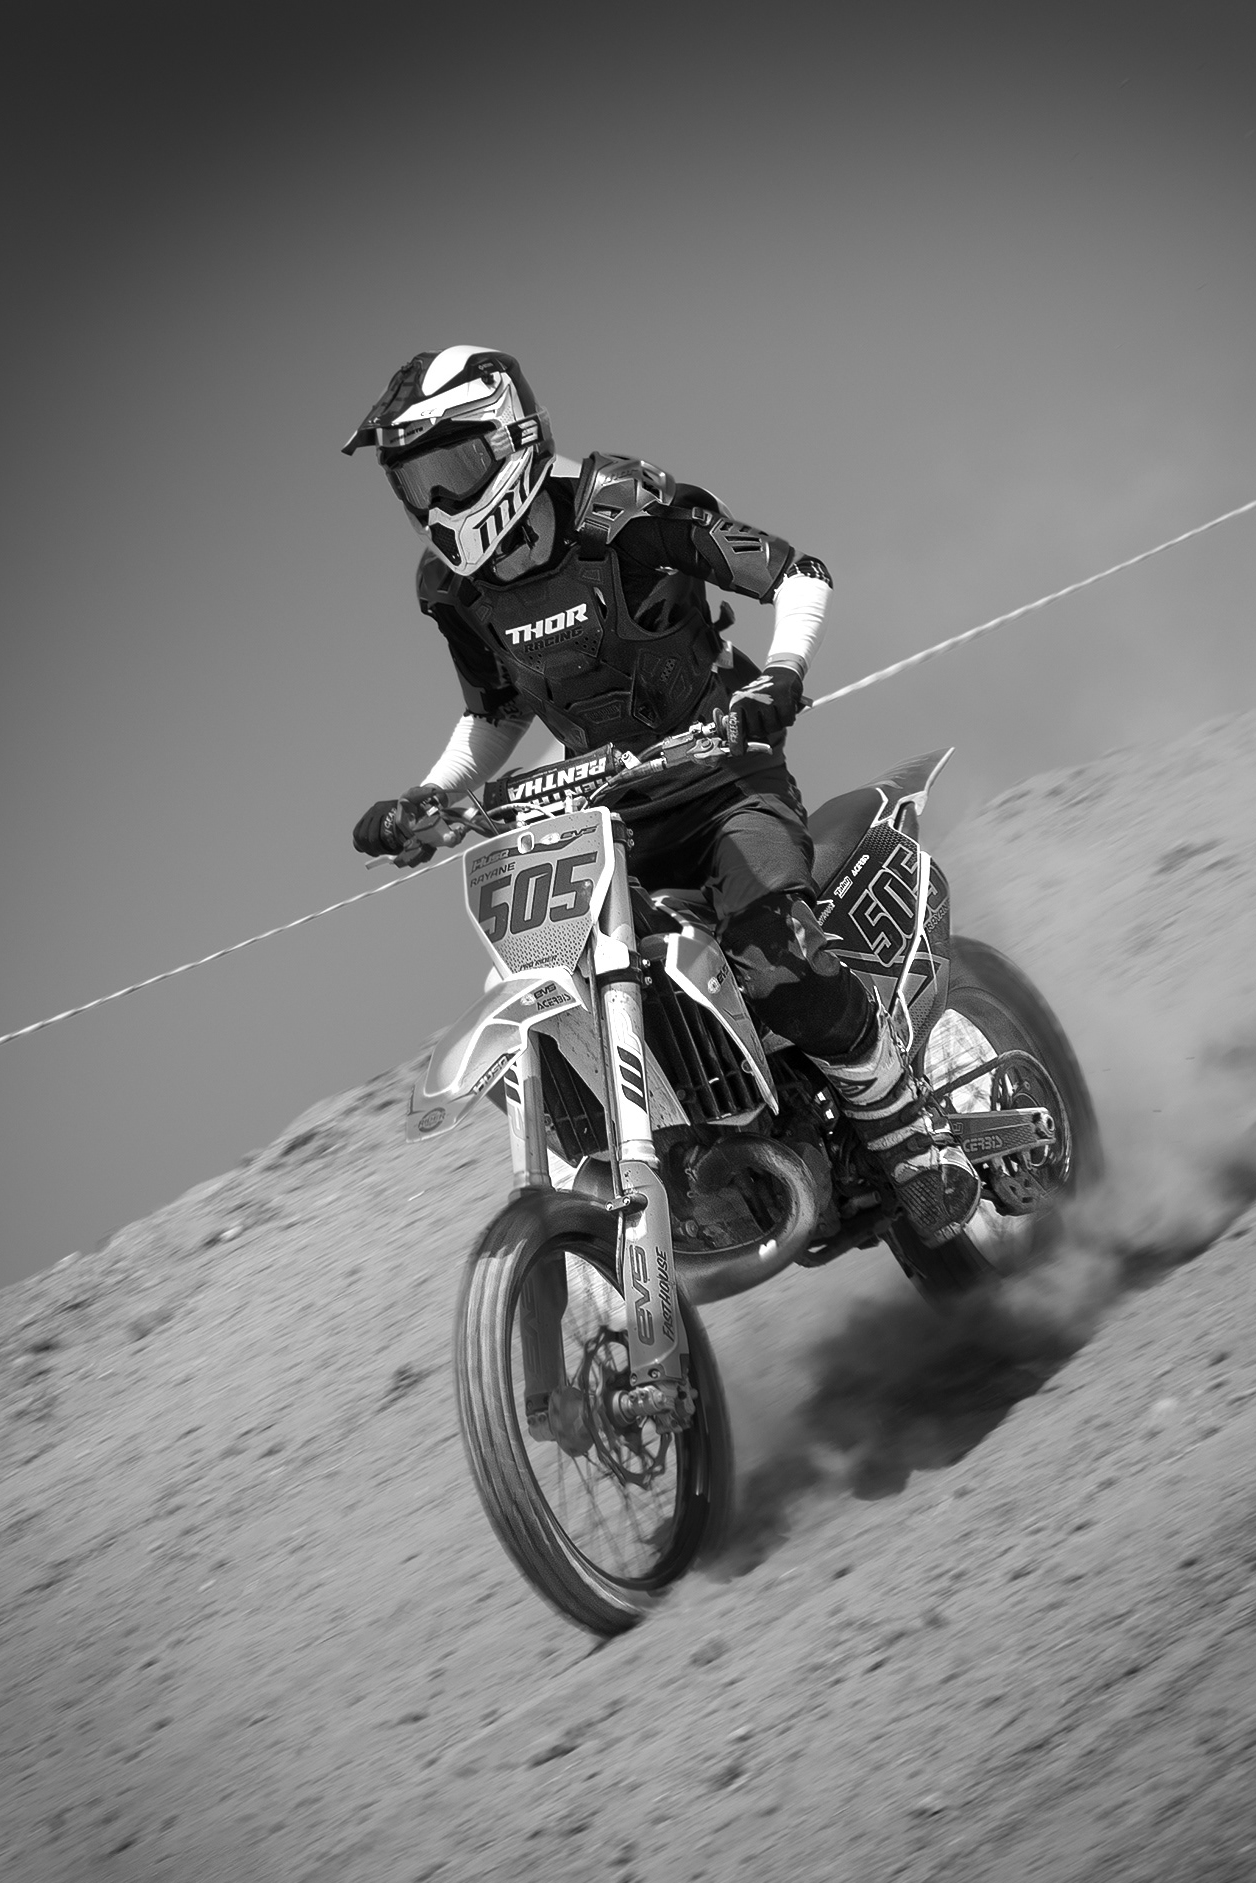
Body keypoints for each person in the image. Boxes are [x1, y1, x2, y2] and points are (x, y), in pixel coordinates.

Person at [345, 344, 977, 1246]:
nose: (439, 503)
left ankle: (906, 1130)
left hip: (724, 782)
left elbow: (796, 573)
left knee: (772, 951)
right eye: (416, 483)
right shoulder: (454, 589)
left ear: (511, 438)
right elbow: (494, 711)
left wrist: (781, 676)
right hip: (602, 822)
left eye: (453, 468)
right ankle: (675, 1169)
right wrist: (431, 796)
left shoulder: (624, 511)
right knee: (554, 986)